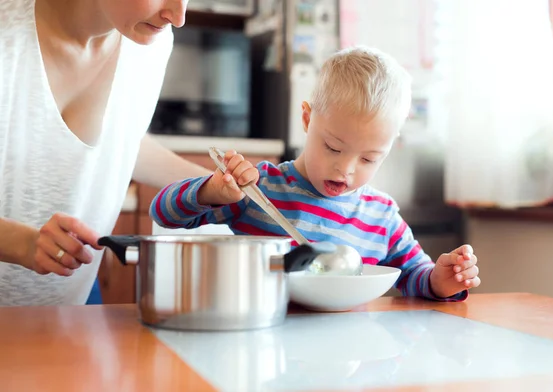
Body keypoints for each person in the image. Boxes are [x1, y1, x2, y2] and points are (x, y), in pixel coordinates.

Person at [149, 46, 481, 301]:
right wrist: (209, 191)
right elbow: (164, 213)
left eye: (369, 158)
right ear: (307, 119)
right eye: (334, 148)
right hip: (266, 340)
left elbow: (413, 275)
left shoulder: (381, 216)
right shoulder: (259, 189)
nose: (346, 169)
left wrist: (440, 281)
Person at [0, 0, 213, 306]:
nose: (178, 17)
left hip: (69, 308)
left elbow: (121, 141)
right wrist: (22, 243)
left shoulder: (150, 44)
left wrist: (222, 186)